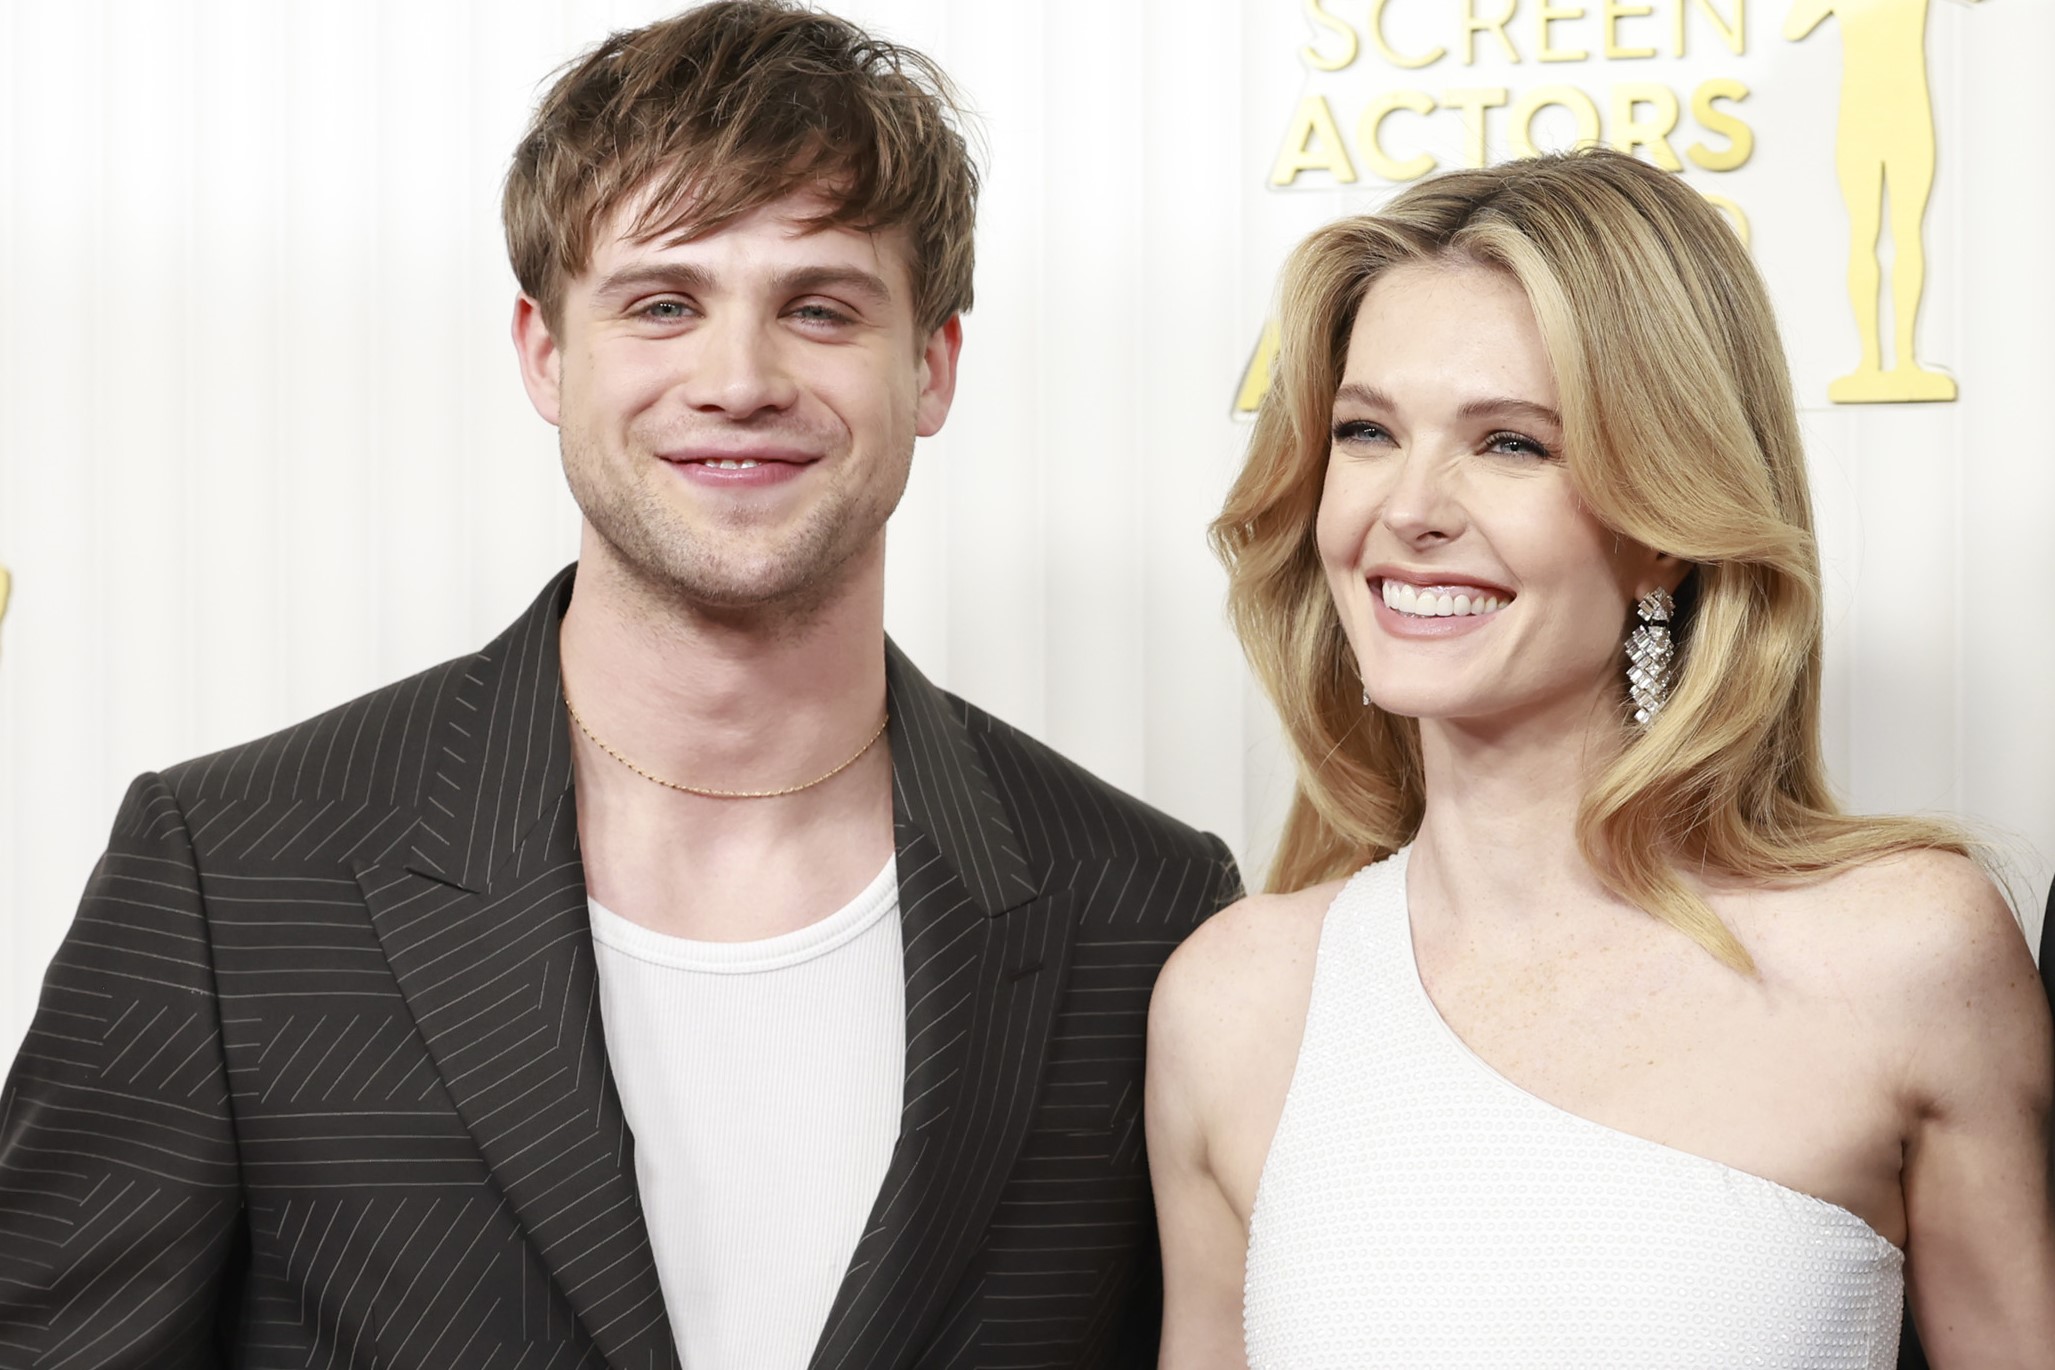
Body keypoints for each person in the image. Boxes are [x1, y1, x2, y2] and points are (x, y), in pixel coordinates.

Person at [0, 4, 1239, 1366]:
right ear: (545, 353)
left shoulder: (1146, 909)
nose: (739, 380)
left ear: (931, 367)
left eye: (819, 308)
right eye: (662, 304)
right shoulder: (232, 875)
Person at [1146, 148, 2054, 1367]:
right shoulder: (1235, 1001)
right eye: (1367, 432)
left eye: (1511, 444)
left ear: (1665, 526)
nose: (1408, 508)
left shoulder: (1906, 954)